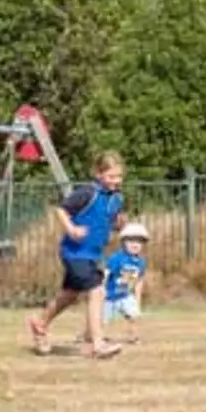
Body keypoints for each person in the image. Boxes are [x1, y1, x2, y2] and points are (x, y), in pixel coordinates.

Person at [28, 151, 127, 359]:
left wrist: (118, 225)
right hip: (74, 252)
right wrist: (71, 229)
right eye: (111, 177)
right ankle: (97, 344)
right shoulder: (87, 192)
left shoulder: (117, 198)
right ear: (98, 174)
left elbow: (111, 221)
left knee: (70, 295)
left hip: (91, 255)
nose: (115, 181)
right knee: (97, 291)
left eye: (119, 177)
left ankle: (40, 323)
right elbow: (61, 210)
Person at [101, 222, 150, 344]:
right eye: (131, 241)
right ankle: (97, 336)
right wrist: (100, 290)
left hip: (125, 295)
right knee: (102, 319)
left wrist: (137, 299)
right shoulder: (117, 258)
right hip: (109, 296)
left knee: (134, 315)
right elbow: (106, 274)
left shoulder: (141, 262)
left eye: (139, 241)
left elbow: (139, 280)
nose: (135, 244)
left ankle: (133, 337)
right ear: (123, 242)